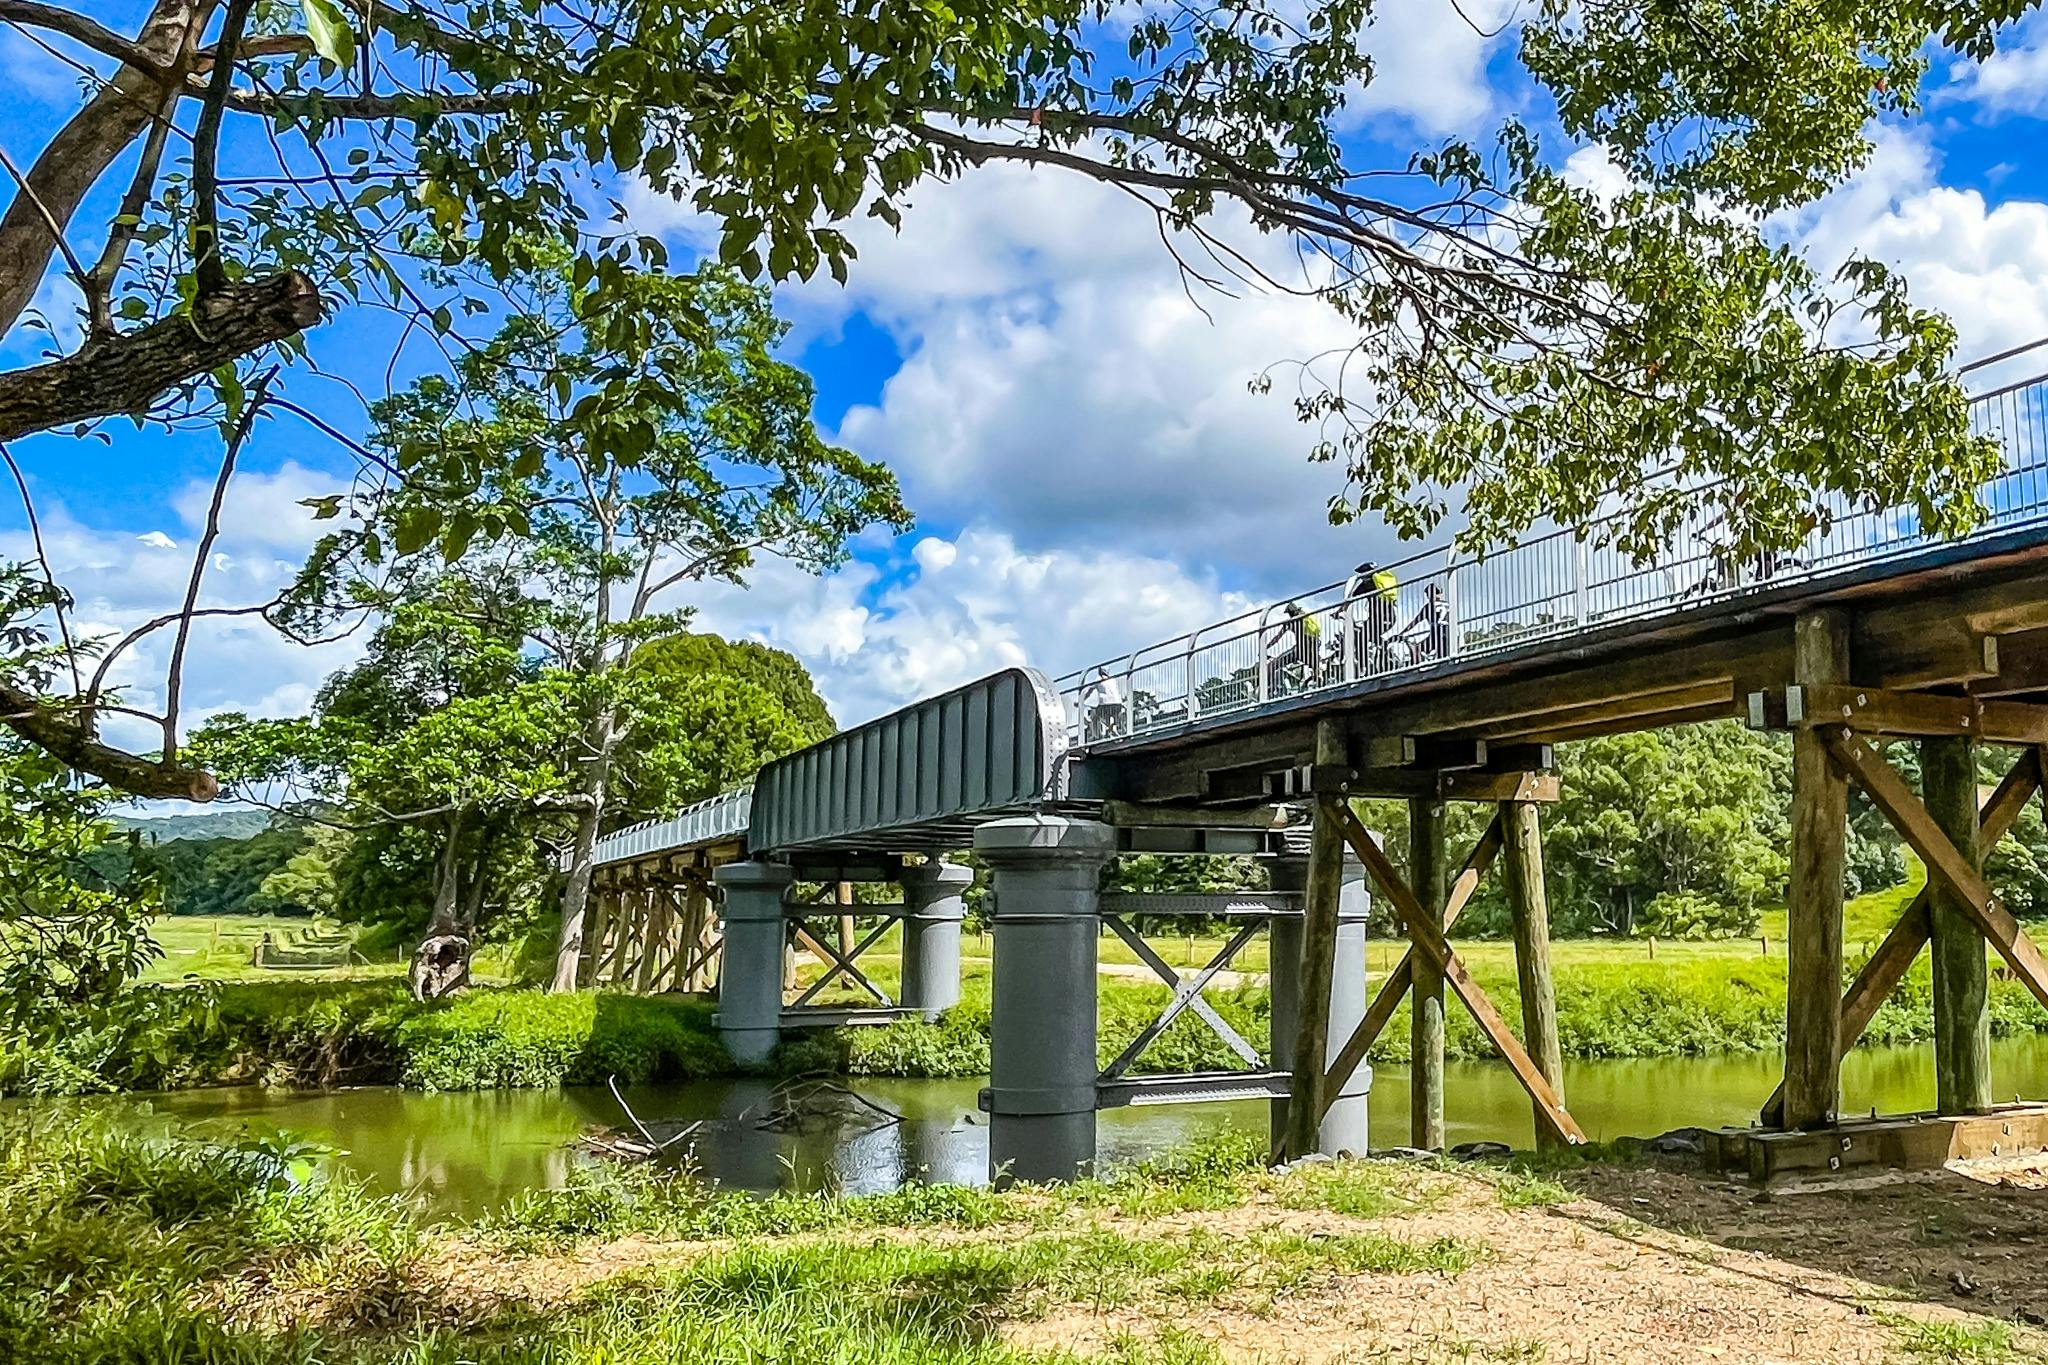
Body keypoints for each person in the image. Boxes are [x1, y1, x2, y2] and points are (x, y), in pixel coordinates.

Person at [1343, 559, 1398, 674]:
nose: (1362, 579)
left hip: (1381, 618)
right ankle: (1384, 652)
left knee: (1361, 637)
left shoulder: (1371, 584)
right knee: (1370, 635)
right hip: (1385, 618)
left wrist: (1340, 610)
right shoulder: (1377, 583)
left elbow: (1351, 597)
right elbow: (1351, 597)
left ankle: (1365, 665)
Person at [1080, 664, 1125, 740]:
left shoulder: (1098, 679)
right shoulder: (1112, 679)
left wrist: (1081, 700)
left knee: (1094, 714)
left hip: (1106, 704)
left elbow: (1089, 691)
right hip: (1118, 703)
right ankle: (1112, 727)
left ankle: (1096, 735)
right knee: (1111, 715)